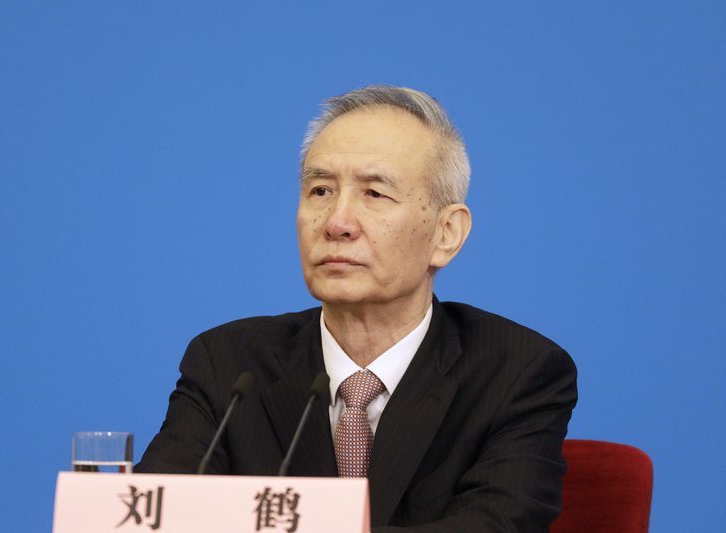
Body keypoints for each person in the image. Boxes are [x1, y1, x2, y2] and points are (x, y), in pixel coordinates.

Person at [136, 85, 578, 532]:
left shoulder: (517, 372)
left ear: (446, 233)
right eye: (321, 190)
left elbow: (495, 526)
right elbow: (155, 514)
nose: (336, 223)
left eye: (374, 194)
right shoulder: (227, 363)